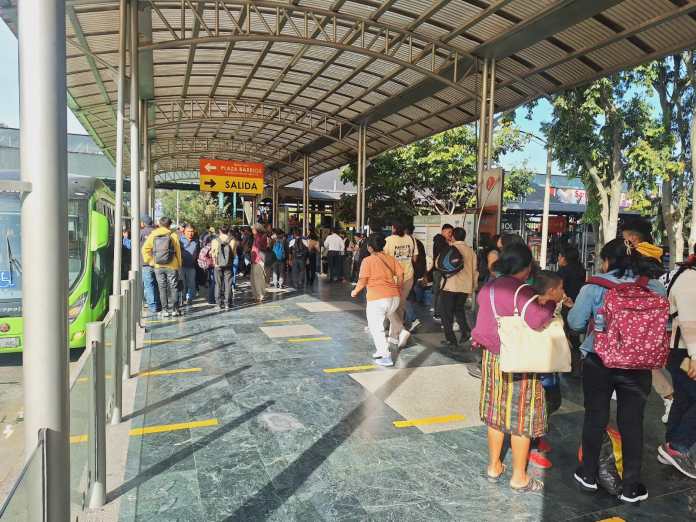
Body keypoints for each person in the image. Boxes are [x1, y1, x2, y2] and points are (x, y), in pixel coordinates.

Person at [568, 238, 666, 503]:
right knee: (632, 422)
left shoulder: (595, 285)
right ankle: (631, 486)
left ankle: (588, 475)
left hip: (599, 360)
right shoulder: (656, 287)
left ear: (608, 260)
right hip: (639, 364)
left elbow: (576, 323)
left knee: (595, 416)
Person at [472, 243, 557, 493]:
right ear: (527, 266)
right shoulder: (523, 290)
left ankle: (494, 466)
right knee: (522, 416)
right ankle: (519, 477)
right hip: (519, 359)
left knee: (495, 413)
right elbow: (538, 319)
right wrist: (551, 303)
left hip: (491, 358)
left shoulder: (487, 288)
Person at [621, 218, 673, 423]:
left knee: (648, 361)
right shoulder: (654, 253)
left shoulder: (637, 255)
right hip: (657, 315)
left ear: (633, 237)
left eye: (625, 236)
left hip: (644, 316)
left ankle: (670, 397)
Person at [659, 247, 696, 479]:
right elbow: (690, 322)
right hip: (685, 352)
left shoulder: (687, 275)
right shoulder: (691, 278)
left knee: (684, 399)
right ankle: (678, 447)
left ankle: (670, 447)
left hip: (683, 351)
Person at [351, 233, 405, 368]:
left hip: (378, 298)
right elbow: (400, 274)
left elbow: (363, 280)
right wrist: (398, 287)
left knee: (376, 327)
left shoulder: (367, 261)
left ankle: (386, 357)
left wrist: (355, 291)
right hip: (394, 298)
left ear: (369, 248)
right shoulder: (390, 259)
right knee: (380, 323)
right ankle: (381, 351)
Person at [440, 227, 478, 350]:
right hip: (465, 287)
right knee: (459, 310)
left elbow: (437, 264)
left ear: (453, 236)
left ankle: (451, 340)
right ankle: (466, 331)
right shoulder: (471, 251)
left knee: (446, 314)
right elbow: (475, 271)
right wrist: (473, 287)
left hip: (450, 286)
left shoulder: (450, 249)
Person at [384, 222, 417, 349]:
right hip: (408, 276)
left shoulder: (388, 240)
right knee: (400, 306)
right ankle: (394, 336)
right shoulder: (410, 239)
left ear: (393, 227)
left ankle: (401, 331)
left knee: (388, 306)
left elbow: (384, 259)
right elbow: (414, 257)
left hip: (394, 278)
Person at [142, 217, 183, 317]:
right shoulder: (173, 235)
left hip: (158, 266)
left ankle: (165, 310)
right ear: (170, 225)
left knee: (162, 287)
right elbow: (178, 251)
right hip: (172, 265)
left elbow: (144, 249)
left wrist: (151, 261)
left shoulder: (153, 234)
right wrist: (179, 265)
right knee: (174, 287)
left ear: (159, 224)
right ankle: (175, 309)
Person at [210, 225, 236, 310]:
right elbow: (234, 253)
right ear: (228, 231)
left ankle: (218, 304)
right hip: (228, 264)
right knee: (228, 283)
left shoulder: (215, 240)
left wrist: (214, 263)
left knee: (218, 284)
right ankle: (227, 304)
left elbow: (213, 254)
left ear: (219, 231)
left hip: (218, 264)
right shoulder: (233, 240)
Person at [139, 215, 159, 313]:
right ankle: (158, 304)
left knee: (148, 285)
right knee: (157, 284)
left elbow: (133, 245)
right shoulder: (157, 232)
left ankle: (152, 306)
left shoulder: (141, 232)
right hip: (159, 262)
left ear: (143, 223)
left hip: (146, 263)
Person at [430, 233, 449, 322]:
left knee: (436, 290)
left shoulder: (435, 244)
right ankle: (438, 312)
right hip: (442, 270)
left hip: (435, 270)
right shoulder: (444, 245)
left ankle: (434, 308)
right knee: (441, 291)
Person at [179, 224, 199, 305]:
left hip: (191, 266)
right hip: (181, 266)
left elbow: (198, 252)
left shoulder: (196, 241)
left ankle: (189, 298)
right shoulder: (180, 240)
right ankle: (182, 298)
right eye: (188, 231)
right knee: (182, 284)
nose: (190, 233)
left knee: (191, 283)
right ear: (184, 231)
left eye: (192, 231)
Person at [250, 224, 268, 303]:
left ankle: (259, 295)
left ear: (256, 229)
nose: (252, 230)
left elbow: (259, 249)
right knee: (255, 278)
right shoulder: (258, 237)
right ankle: (257, 295)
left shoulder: (259, 237)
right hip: (255, 260)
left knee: (258, 278)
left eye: (253, 229)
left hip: (258, 260)